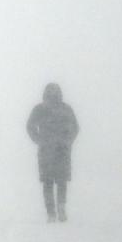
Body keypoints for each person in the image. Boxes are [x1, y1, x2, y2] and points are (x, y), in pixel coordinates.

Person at [26, 83, 79, 222]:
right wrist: (68, 141)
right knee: (60, 182)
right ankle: (60, 209)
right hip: (60, 151)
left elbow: (29, 126)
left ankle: (52, 213)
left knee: (48, 183)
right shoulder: (65, 109)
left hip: (47, 152)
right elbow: (76, 128)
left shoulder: (40, 109)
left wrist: (39, 140)